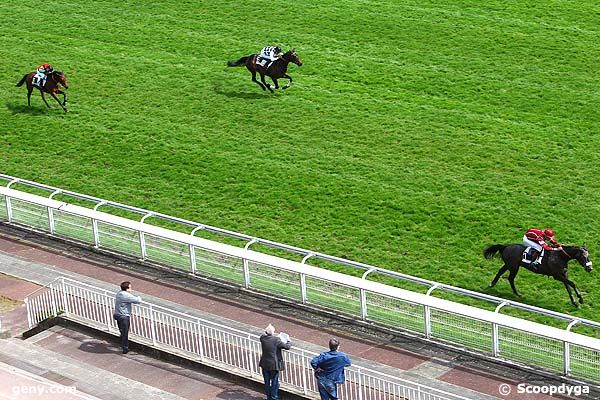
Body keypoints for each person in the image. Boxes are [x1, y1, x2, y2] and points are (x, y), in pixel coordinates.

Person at [259, 324, 291, 400]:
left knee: (266, 382)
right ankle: (274, 397)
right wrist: (288, 341)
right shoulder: (276, 340)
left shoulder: (262, 338)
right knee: (274, 382)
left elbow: (266, 336)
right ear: (273, 332)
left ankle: (269, 397)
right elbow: (287, 347)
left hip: (264, 363)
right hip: (274, 364)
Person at [113, 281, 141, 354]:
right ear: (127, 288)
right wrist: (138, 296)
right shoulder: (126, 295)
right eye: (130, 287)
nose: (131, 289)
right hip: (124, 316)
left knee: (122, 331)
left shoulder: (119, 293)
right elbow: (138, 300)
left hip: (117, 314)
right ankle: (125, 348)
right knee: (125, 332)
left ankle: (122, 343)